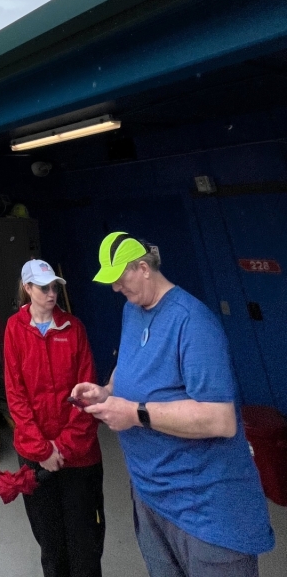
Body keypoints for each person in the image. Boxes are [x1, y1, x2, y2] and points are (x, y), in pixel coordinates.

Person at [73, 232, 275, 577]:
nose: (117, 288)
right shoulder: (132, 310)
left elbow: (220, 419)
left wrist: (134, 414)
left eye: (120, 278)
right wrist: (106, 391)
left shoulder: (192, 322)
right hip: (150, 495)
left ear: (143, 268)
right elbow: (131, 366)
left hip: (202, 509)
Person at [4, 259, 105, 577]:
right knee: (51, 544)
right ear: (27, 288)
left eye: (55, 287)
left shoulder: (74, 329)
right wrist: (43, 450)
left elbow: (87, 397)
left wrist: (62, 448)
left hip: (79, 458)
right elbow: (16, 396)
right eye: (44, 287)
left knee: (85, 544)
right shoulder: (14, 330)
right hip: (35, 458)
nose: (52, 294)